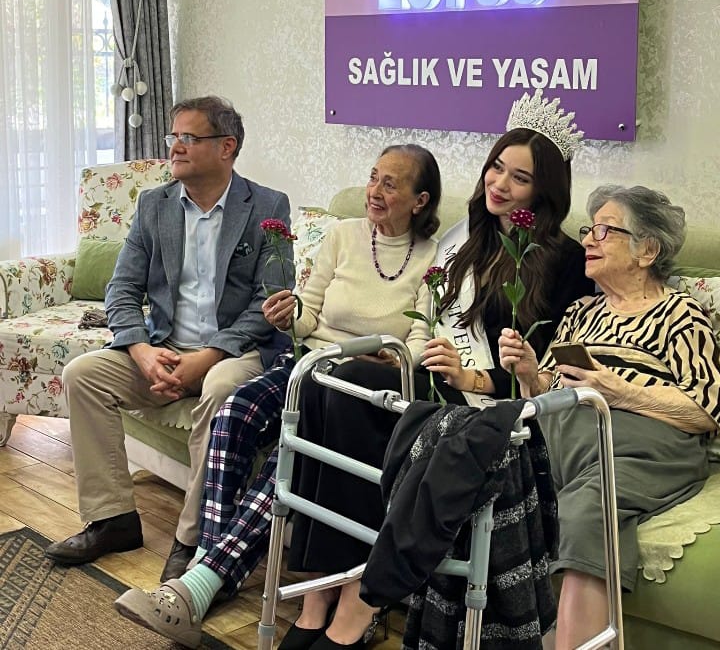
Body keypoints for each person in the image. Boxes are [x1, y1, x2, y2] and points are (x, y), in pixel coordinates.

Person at [283, 90, 594, 650]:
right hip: (434, 381)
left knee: (348, 386)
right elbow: (427, 320)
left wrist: (473, 377)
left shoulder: (568, 263)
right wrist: (413, 354)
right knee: (324, 382)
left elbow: (545, 371)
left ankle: (356, 598)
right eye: (496, 167)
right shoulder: (468, 239)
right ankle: (320, 592)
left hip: (495, 405)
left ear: (544, 190)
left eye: (520, 177)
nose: (500, 183)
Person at [112, 143, 443, 648]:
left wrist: (396, 358)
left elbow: (421, 337)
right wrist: (288, 314)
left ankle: (199, 587)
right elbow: (308, 316)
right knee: (234, 412)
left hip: (358, 387)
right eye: (373, 177)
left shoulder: (433, 257)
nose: (374, 191)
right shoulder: (343, 235)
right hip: (306, 363)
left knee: (291, 449)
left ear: (420, 201)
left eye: (390, 184)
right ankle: (206, 571)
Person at [46, 95, 293, 582]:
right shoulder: (153, 205)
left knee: (221, 387)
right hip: (162, 348)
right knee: (83, 375)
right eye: (173, 137)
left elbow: (270, 301)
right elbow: (122, 288)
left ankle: (193, 538)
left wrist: (209, 355)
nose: (175, 147)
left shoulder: (268, 206)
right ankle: (112, 519)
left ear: (226, 147)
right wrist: (141, 350)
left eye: (188, 138)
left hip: (235, 353)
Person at [499, 184, 720, 650]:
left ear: (647, 250)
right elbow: (547, 391)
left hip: (647, 444)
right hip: (570, 434)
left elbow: (705, 409)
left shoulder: (681, 313)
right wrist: (529, 373)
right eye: (588, 229)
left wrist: (619, 391)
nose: (588, 240)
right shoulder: (581, 312)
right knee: (487, 463)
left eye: (604, 230)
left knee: (588, 502)